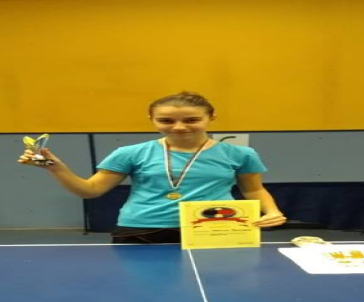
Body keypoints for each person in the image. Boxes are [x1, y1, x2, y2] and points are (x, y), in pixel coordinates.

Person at [18, 91, 287, 243]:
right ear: (152, 119)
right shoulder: (130, 153)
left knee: (221, 293)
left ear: (211, 117)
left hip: (216, 228)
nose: (179, 127)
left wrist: (272, 211)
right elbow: (90, 190)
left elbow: (254, 190)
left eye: (191, 120)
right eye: (166, 120)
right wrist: (55, 167)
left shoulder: (240, 154)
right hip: (141, 230)